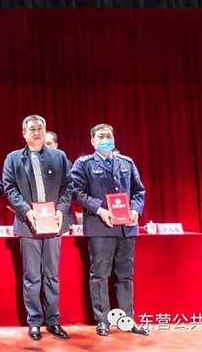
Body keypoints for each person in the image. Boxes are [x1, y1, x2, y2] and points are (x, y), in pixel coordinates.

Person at [71, 123, 148, 336]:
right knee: (100, 274)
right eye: (101, 136)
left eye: (108, 136)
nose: (105, 139)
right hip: (100, 227)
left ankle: (128, 319)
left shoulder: (126, 162)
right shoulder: (84, 164)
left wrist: (135, 210)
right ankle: (102, 320)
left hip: (126, 228)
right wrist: (99, 209)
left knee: (125, 275)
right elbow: (76, 192)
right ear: (93, 141)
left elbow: (138, 191)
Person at [2, 115, 72, 341]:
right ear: (24, 133)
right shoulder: (13, 158)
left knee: (51, 275)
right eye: (32, 129)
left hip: (54, 223)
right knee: (32, 276)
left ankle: (53, 320)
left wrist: (61, 209)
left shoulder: (59, 156)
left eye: (40, 128)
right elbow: (9, 188)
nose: (37, 132)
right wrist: (26, 211)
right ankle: (34, 322)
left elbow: (68, 185)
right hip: (28, 224)